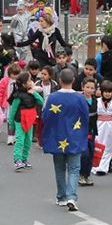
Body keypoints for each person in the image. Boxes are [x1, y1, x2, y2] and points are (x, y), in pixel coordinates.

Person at [40, 68, 89, 211]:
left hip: (57, 136)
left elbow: (46, 117)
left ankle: (61, 196)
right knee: (74, 168)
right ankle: (72, 196)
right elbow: (86, 117)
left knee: (59, 168)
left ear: (60, 80)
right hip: (75, 137)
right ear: (74, 80)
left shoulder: (53, 97)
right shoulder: (80, 98)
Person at [8, 71, 43, 170]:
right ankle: (17, 159)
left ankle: (24, 159)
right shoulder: (18, 95)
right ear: (23, 84)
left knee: (28, 140)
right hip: (20, 120)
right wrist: (11, 122)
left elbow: (41, 101)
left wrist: (34, 93)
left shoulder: (32, 93)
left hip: (30, 119)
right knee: (20, 140)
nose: (31, 81)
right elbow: (13, 109)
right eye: (29, 80)